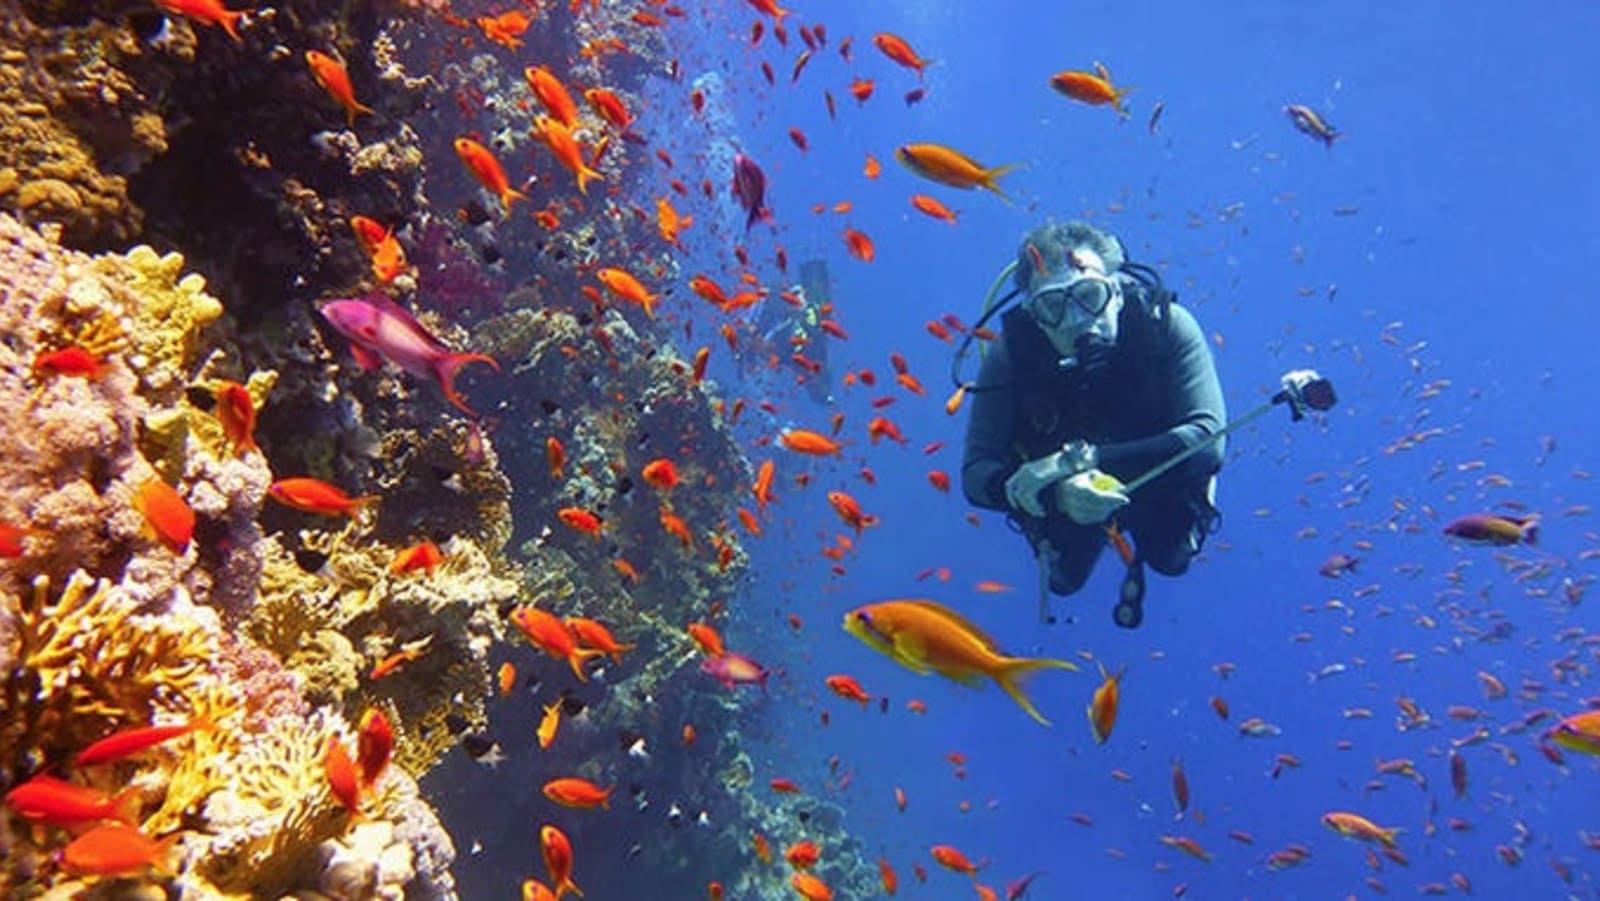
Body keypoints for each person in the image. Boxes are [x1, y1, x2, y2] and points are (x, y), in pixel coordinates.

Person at [960, 221, 1226, 628]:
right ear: (1034, 316)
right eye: (1053, 306)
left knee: (1172, 559)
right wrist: (1056, 495)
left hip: (1158, 477)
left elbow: (1209, 440)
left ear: (1116, 292)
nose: (1076, 321)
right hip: (1064, 498)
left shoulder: (1167, 325)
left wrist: (1075, 464)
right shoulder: (1011, 354)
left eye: (1090, 296)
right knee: (1064, 580)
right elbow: (976, 473)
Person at [753, 258, 833, 405]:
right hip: (798, 317)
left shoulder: (802, 365)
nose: (811, 383)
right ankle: (814, 265)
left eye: (812, 388)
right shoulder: (816, 355)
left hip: (787, 322)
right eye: (816, 384)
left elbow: (782, 352)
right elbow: (813, 333)